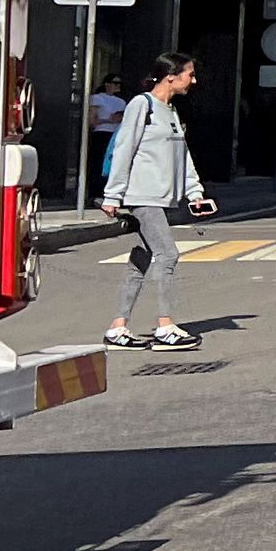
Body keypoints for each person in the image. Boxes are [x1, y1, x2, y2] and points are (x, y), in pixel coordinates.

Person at [100, 52, 209, 350]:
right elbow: (124, 148)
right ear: (171, 76)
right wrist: (113, 194)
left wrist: (195, 192)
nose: (193, 80)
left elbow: (182, 156)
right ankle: (165, 327)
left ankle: (118, 327)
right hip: (142, 195)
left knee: (142, 259)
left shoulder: (170, 112)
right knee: (168, 255)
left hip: (162, 197)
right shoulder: (142, 104)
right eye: (190, 74)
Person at [84, 77, 123, 207]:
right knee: (98, 163)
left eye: (119, 84)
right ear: (107, 84)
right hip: (101, 133)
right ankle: (95, 194)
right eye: (115, 83)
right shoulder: (98, 98)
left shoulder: (121, 102)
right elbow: (92, 120)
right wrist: (109, 120)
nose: (117, 86)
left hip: (115, 134)